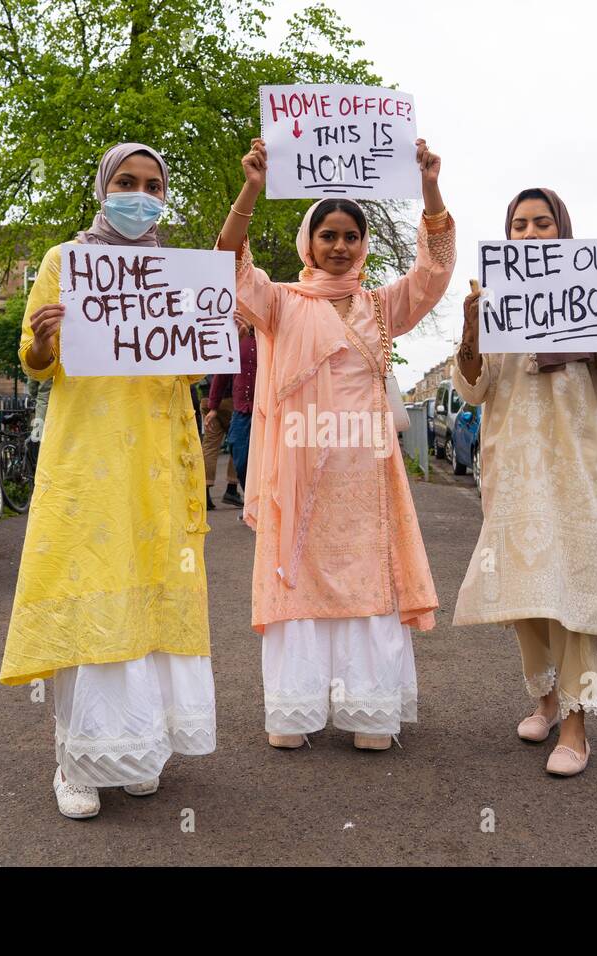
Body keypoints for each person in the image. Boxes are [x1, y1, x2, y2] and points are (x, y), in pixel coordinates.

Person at [0, 143, 216, 820]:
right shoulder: (65, 262)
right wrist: (40, 337)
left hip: (155, 462)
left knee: (148, 602)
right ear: (102, 186)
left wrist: (211, 327)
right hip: (87, 462)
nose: (139, 193)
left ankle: (139, 751)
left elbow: (196, 370)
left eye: (152, 184)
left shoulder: (178, 274)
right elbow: (34, 363)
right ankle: (76, 762)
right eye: (126, 181)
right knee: (88, 590)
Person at [217, 136, 455, 752]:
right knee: (296, 579)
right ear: (309, 242)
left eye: (351, 235)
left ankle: (369, 710)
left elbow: (434, 273)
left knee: (367, 584)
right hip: (297, 473)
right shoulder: (281, 303)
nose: (341, 246)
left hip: (365, 475)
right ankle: (293, 711)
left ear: (363, 243)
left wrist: (429, 184)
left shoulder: (381, 306)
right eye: (329, 235)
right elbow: (228, 266)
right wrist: (252, 187)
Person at [452, 187, 597, 777]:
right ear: (508, 234)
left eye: (543, 223)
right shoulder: (493, 298)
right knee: (525, 589)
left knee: (577, 591)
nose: (532, 233)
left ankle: (576, 723)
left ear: (563, 232)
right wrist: (470, 330)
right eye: (520, 224)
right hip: (514, 465)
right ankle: (543, 697)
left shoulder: (593, 294)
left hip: (578, 466)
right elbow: (473, 388)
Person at [207, 313, 256, 510]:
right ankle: (251, 497)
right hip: (241, 410)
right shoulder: (236, 339)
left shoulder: (270, 339)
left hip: (266, 411)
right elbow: (222, 375)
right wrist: (213, 407)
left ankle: (258, 506)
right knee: (239, 455)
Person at [201, 373, 238, 509]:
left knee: (209, 446)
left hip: (206, 395)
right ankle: (232, 488)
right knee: (239, 441)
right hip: (228, 396)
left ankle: (204, 492)